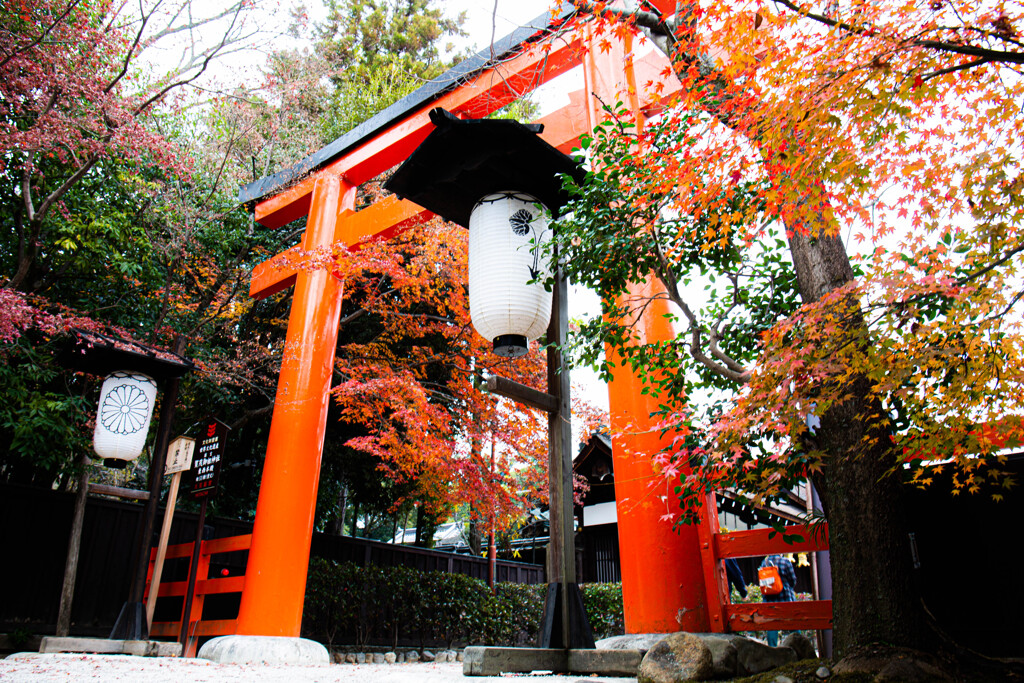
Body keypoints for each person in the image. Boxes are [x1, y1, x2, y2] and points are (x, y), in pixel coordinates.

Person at [759, 553, 796, 647]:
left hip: (769, 600)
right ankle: (798, 645)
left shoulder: (764, 563)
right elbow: (793, 580)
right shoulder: (785, 562)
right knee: (793, 623)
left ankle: (772, 648)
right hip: (785, 597)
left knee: (772, 625)